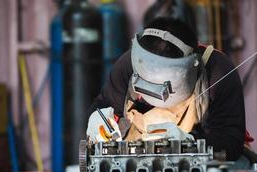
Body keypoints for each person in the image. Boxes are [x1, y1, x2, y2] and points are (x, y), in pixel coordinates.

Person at [86, 17, 247, 163]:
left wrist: (190, 144)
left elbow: (231, 143)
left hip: (200, 166)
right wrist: (97, 118)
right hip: (137, 164)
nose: (149, 92)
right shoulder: (129, 64)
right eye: (144, 83)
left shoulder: (218, 72)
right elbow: (104, 104)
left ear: (191, 68)